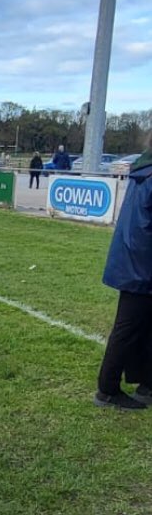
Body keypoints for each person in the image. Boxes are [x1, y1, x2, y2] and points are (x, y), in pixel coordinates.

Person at [94, 137, 152, 411]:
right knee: (128, 327)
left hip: (135, 256)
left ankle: (146, 383)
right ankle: (107, 389)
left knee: (141, 325)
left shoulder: (144, 168)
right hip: (142, 263)